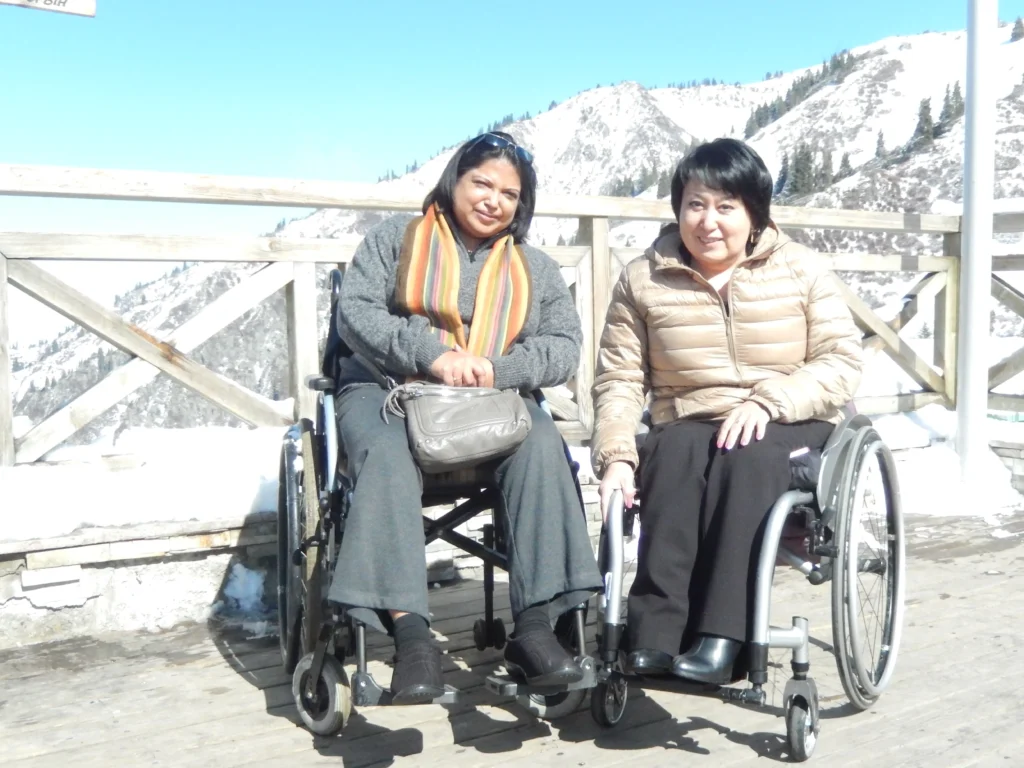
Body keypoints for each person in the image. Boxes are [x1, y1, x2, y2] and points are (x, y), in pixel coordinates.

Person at [328, 131, 603, 704]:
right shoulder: (394, 241)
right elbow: (355, 315)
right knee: (384, 454)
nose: (491, 200)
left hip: (489, 398)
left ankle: (533, 628)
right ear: (455, 179)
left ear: (520, 205)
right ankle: (412, 639)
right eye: (481, 182)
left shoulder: (535, 267)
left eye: (508, 192)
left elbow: (563, 346)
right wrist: (432, 355)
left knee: (542, 446)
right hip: (389, 390)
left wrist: (495, 369)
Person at [590, 137, 864, 684]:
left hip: (789, 414)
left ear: (754, 213)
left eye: (725, 206)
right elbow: (620, 378)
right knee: (671, 452)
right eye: (696, 204)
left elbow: (841, 361)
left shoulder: (801, 268)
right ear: (678, 209)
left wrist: (771, 399)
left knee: (747, 452)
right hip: (689, 415)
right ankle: (654, 635)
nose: (708, 221)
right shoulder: (644, 277)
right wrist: (617, 455)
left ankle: (724, 636)